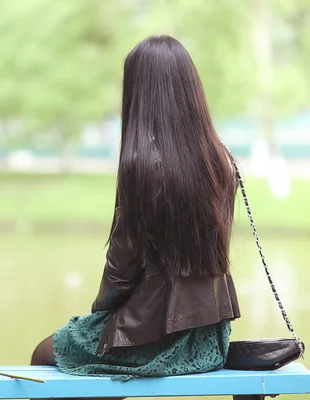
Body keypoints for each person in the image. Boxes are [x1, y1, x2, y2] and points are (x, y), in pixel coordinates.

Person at [31, 34, 241, 393]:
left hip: (155, 333)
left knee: (44, 353)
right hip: (209, 336)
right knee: (102, 361)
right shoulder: (221, 161)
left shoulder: (143, 165)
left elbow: (120, 271)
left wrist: (98, 314)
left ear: (139, 94)